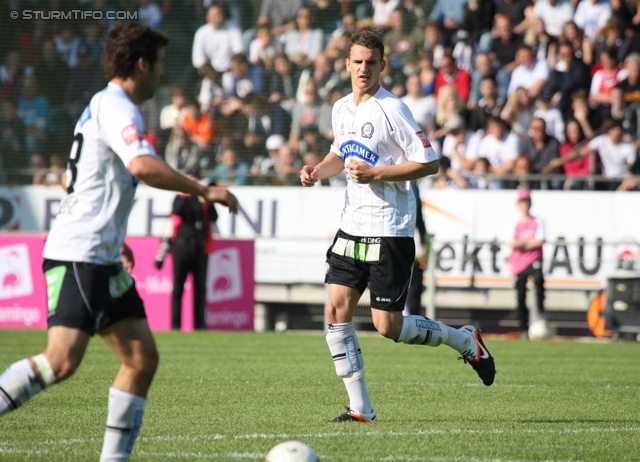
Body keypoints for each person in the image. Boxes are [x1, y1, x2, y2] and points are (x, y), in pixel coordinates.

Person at [0, 22, 238, 461]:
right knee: (61, 361)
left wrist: (118, 237)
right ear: (142, 64)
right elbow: (144, 166)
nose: (162, 74)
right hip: (80, 253)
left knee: (141, 359)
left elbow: (95, 182)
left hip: (102, 254)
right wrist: (204, 190)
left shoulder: (106, 106)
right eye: (160, 64)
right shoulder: (117, 105)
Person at [299, 31, 496, 423]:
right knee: (335, 311)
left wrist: (380, 173)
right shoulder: (340, 108)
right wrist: (318, 171)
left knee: (387, 326)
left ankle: (464, 340)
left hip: (390, 229)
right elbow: (340, 152)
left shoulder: (393, 109)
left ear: (382, 65)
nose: (363, 69)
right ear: (347, 64)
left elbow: (429, 162)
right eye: (357, 61)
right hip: (351, 226)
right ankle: (361, 409)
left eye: (371, 62)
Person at [156, 166, 220, 330]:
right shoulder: (180, 197)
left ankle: (200, 325)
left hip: (200, 249)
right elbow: (176, 213)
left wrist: (206, 198)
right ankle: (176, 326)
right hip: (182, 247)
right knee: (178, 287)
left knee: (200, 289)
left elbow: (214, 217)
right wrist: (187, 193)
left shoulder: (203, 199)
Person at [508, 188, 546, 338]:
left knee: (538, 283)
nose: (525, 205)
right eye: (522, 202)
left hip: (534, 260)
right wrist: (529, 242)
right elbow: (512, 243)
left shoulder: (538, 221)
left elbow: (540, 240)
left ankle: (539, 318)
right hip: (518, 264)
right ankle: (523, 327)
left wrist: (521, 243)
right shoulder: (514, 222)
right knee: (520, 294)